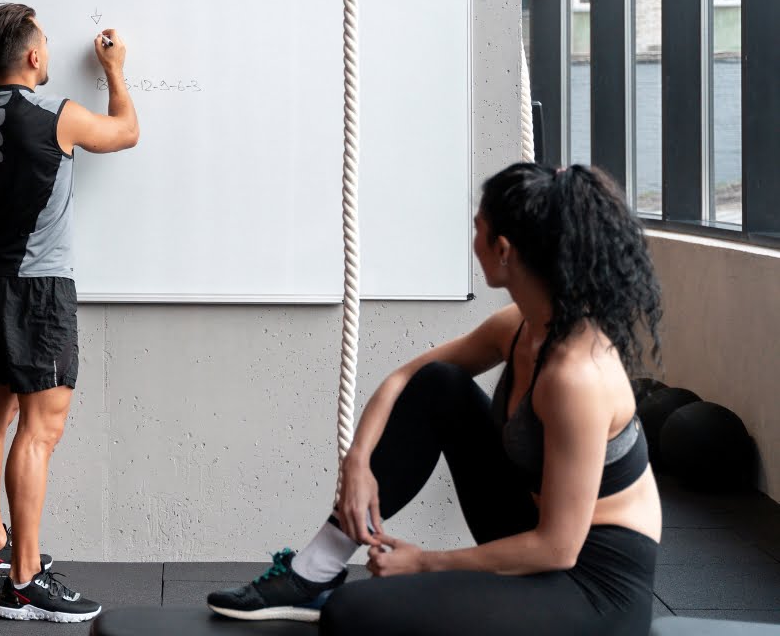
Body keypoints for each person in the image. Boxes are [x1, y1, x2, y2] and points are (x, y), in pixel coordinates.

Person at [208, 163, 664, 636]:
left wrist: (424, 562)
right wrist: (357, 462)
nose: (471, 239)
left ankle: (336, 587)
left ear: (503, 250)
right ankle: (313, 571)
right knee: (438, 384)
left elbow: (558, 548)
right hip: (534, 530)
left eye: (477, 228)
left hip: (592, 586)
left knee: (351, 613)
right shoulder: (519, 327)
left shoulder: (576, 377)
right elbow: (406, 378)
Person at [0, 3, 140, 623]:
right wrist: (115, 70)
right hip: (40, 290)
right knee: (41, 430)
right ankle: (23, 580)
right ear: (34, 55)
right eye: (44, 39)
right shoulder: (56, 115)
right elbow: (126, 131)